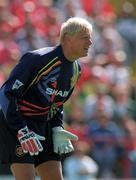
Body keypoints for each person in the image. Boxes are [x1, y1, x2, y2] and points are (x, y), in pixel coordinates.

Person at [0, 17, 93, 180]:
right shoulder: (38, 59)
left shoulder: (77, 69)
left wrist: (57, 127)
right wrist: (21, 130)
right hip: (18, 124)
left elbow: (56, 103)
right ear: (67, 39)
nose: (90, 42)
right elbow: (6, 93)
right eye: (85, 37)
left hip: (44, 125)